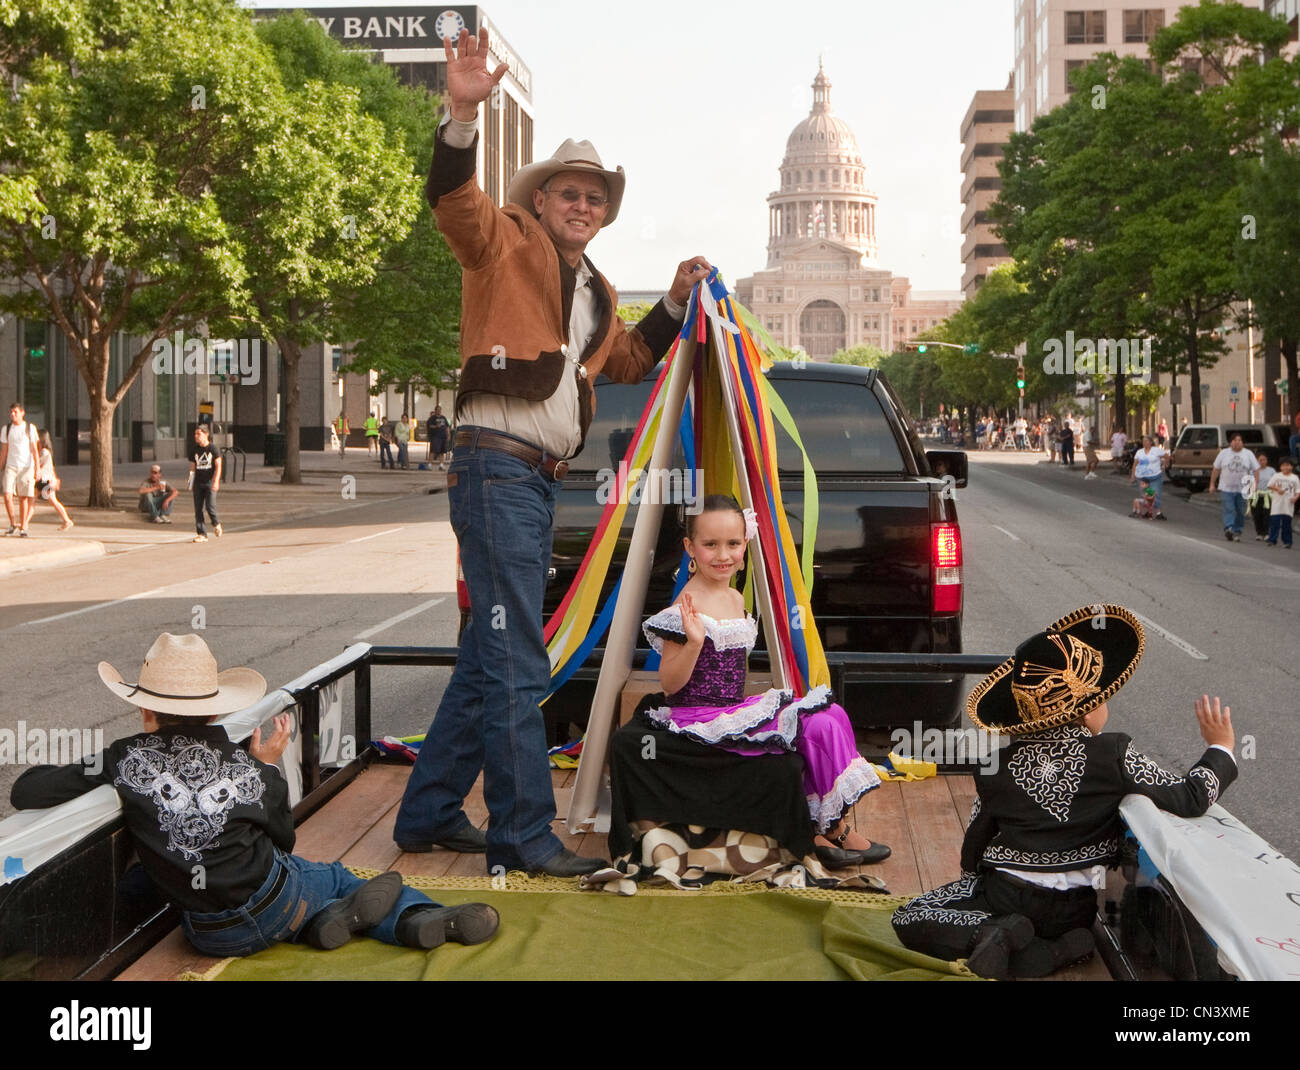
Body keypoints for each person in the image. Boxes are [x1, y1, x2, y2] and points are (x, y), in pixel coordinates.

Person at [393, 26, 711, 879]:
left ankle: (425, 813)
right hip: (496, 466)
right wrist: (461, 112)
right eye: (569, 192)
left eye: (594, 198)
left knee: (491, 651)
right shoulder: (504, 241)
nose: (581, 205)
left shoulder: (597, 292)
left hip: (534, 480)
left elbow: (630, 362)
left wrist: (676, 301)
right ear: (541, 201)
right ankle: (524, 833)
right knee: (515, 655)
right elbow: (455, 207)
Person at [9, 633, 498, 955]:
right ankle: (418, 918)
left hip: (208, 934)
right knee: (334, 875)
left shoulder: (124, 758)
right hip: (272, 901)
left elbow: (26, 791)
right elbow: (283, 840)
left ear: (145, 712)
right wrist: (267, 768)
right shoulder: (246, 765)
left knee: (310, 889)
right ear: (216, 713)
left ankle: (323, 924)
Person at [890, 605, 1237, 980]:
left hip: (1007, 896)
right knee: (1015, 919)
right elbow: (1192, 795)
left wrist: (973, 885)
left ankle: (991, 933)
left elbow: (974, 846)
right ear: (1087, 712)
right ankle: (1051, 951)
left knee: (909, 915)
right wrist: (1220, 746)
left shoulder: (996, 764)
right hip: (1075, 910)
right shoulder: (1114, 754)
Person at [611, 495, 888, 871]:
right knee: (816, 725)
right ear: (690, 547)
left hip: (732, 709)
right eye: (710, 545)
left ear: (745, 544)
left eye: (733, 544)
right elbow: (671, 684)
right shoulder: (686, 606)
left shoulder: (734, 595)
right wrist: (693, 642)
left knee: (831, 714)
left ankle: (825, 826)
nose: (723, 554)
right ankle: (830, 830)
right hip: (698, 718)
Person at [1209, 432, 1259, 542]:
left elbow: (1256, 470)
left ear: (1243, 443)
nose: (1237, 442)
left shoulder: (1248, 454)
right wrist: (1212, 484)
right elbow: (1216, 469)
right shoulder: (1223, 453)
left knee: (1241, 511)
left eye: (1239, 440)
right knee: (1229, 508)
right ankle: (1229, 528)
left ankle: (1237, 530)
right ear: (1230, 443)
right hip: (1226, 488)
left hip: (1243, 488)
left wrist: (1255, 485)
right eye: (1234, 440)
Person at [1, 402, 39, 537]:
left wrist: (37, 468)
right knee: (7, 494)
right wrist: (1, 465)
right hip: (11, 465)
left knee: (23, 497)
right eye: (11, 412)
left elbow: (34, 449)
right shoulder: (6, 429)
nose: (13, 414)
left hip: (26, 466)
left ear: (22, 413)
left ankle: (23, 526)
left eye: (15, 412)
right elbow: (4, 451)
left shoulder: (30, 428)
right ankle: (12, 523)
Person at [188, 425, 222, 543]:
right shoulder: (194, 450)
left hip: (209, 482)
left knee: (209, 506)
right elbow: (192, 467)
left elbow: (218, 466)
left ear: (206, 434)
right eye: (195, 434)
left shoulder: (213, 448)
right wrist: (190, 482)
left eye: (199, 434)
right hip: (198, 482)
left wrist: (216, 481)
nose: (196, 436)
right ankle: (201, 533)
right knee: (198, 509)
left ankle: (216, 523)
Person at [34, 429, 73, 530]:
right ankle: (23, 522)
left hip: (46, 480)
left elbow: (37, 464)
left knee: (51, 500)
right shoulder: (44, 451)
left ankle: (67, 520)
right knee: (33, 499)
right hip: (45, 479)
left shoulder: (44, 452)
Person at [1130, 434, 1169, 520]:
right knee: (1145, 494)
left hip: (1155, 476)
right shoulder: (1139, 452)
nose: (1144, 443)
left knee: (1155, 494)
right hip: (1142, 477)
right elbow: (1135, 464)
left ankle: (1158, 513)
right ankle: (1149, 512)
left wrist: (1165, 465)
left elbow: (1166, 456)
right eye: (1143, 441)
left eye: (1146, 441)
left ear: (1151, 442)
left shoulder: (1156, 450)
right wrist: (1132, 476)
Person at [1266, 457, 1299, 548]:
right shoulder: (1277, 476)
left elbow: (1298, 490)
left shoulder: (1295, 478)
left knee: (1287, 524)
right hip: (1277, 504)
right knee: (1275, 523)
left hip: (1288, 505)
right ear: (1280, 467)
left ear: (1291, 467)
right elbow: (1269, 485)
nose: (1286, 467)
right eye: (1283, 465)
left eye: (1288, 465)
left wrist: (1295, 498)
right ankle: (1272, 540)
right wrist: (1277, 489)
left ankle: (1287, 542)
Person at [1248, 451, 1275, 541]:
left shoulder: (1271, 470)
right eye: (1260, 460)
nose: (1262, 462)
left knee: (1267, 515)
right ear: (1256, 460)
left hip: (1268, 495)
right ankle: (1259, 533)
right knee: (1257, 515)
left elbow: (1275, 482)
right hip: (1256, 495)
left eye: (1264, 460)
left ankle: (1266, 532)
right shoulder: (1253, 471)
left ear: (1266, 460)